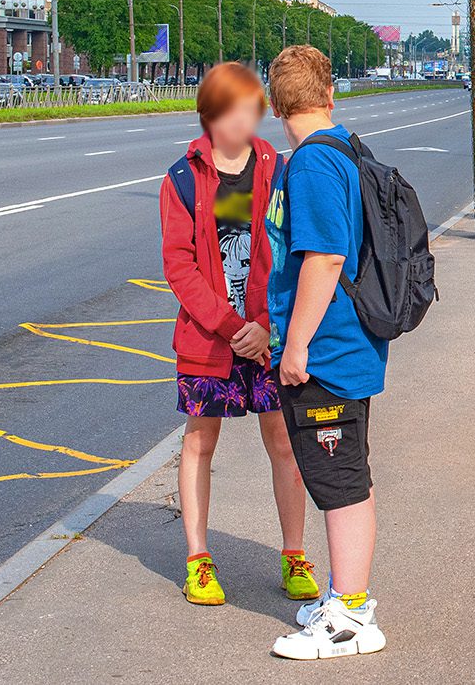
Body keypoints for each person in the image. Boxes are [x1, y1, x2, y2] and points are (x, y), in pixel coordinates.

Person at [158, 61, 320, 608]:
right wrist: (232, 328)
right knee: (199, 443)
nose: (242, 120)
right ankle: (198, 561)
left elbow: (295, 254)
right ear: (209, 114)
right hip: (210, 340)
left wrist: (269, 327)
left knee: (284, 442)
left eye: (252, 108)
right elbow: (180, 267)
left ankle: (295, 554)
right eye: (231, 110)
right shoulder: (183, 179)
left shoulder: (279, 171)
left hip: (268, 337)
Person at [264, 45, 390, 659]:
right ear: (329, 93)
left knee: (339, 481)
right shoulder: (342, 147)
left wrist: (296, 346)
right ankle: (349, 596)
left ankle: (349, 619)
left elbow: (325, 257)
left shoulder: (312, 164)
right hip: (347, 345)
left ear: (274, 103)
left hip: (328, 352)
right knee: (346, 477)